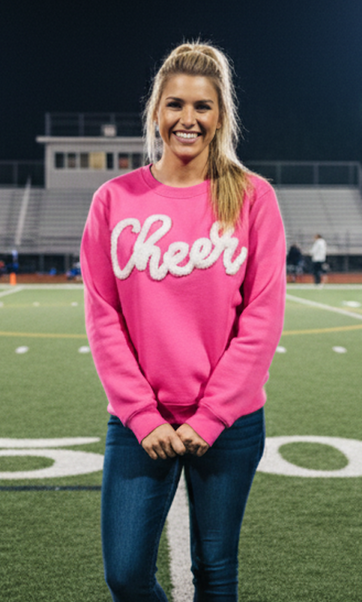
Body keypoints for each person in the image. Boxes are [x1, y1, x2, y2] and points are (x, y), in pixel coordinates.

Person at [81, 41, 285, 601]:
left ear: (220, 117)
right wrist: (144, 417)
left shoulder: (251, 197)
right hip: (138, 425)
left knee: (215, 571)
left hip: (230, 422)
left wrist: (213, 415)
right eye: (175, 105)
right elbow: (104, 318)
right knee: (124, 573)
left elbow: (262, 317)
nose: (187, 119)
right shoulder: (114, 200)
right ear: (155, 112)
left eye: (202, 107)